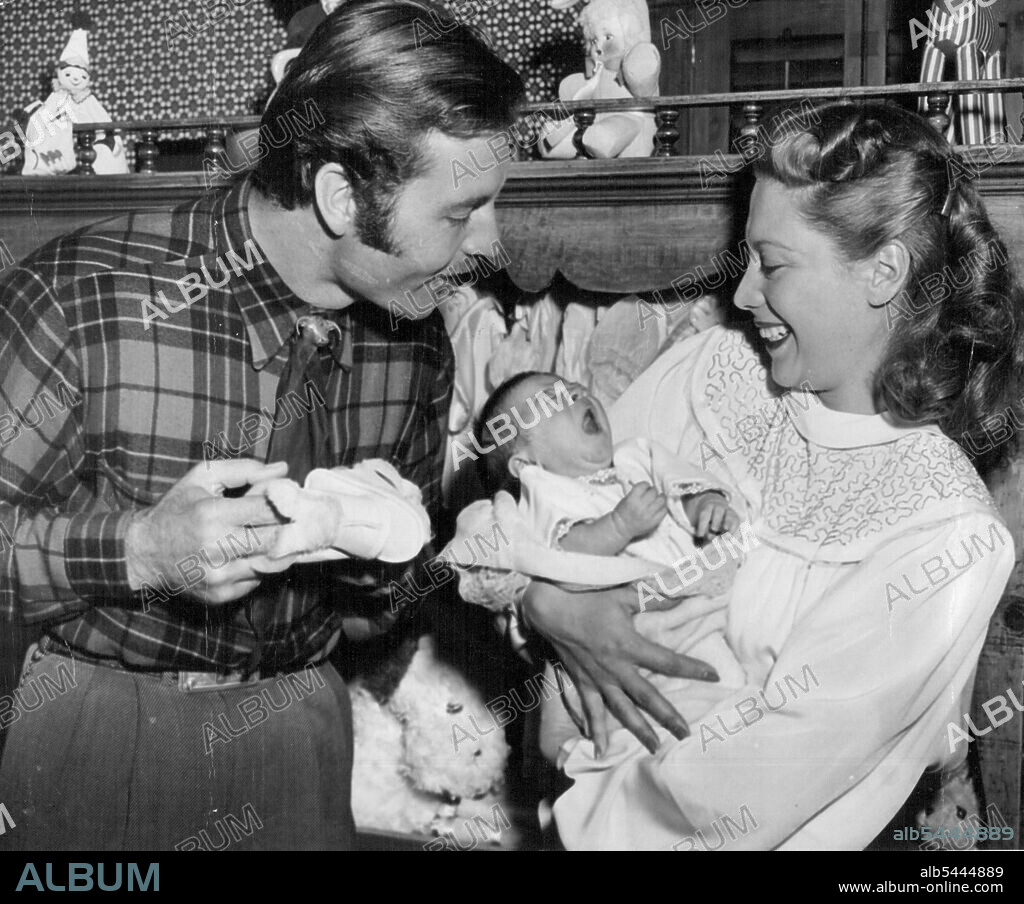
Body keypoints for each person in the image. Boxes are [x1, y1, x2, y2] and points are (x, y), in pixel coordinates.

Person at [0, 0, 524, 851]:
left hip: (303, 734)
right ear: (339, 197)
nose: (491, 245)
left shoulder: (418, 329)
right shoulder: (81, 295)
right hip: (90, 733)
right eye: (462, 213)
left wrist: (386, 553)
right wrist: (140, 551)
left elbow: (382, 607)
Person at [454, 100, 1024, 849]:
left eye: (775, 264)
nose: (743, 293)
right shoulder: (713, 375)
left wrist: (578, 793)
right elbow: (542, 502)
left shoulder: (946, 536)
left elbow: (740, 791)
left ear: (885, 272)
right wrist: (544, 599)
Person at [454, 369, 746, 764]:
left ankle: (711, 750)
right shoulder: (544, 491)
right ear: (524, 462)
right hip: (610, 627)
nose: (576, 395)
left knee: (722, 685)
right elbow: (564, 555)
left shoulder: (635, 456)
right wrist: (618, 526)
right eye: (553, 401)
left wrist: (704, 503)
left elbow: (682, 483)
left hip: (683, 611)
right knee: (637, 722)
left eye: (573, 389)